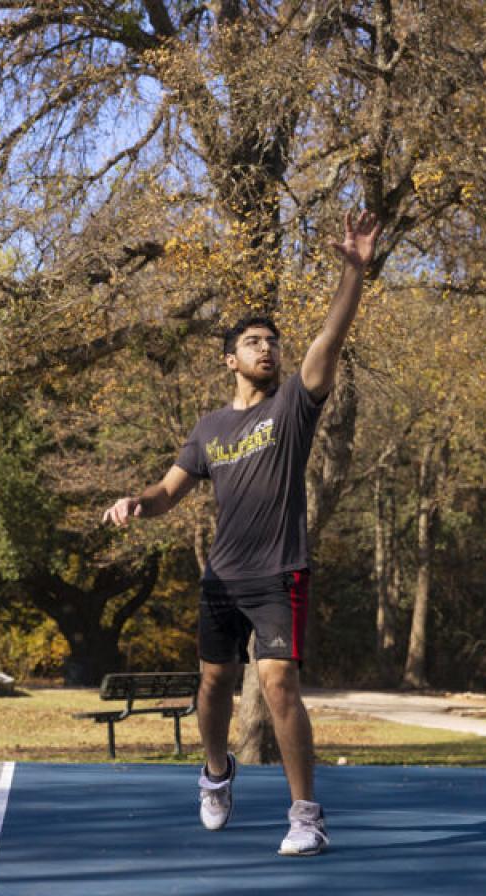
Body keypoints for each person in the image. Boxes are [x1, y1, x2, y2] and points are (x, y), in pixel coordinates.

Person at [103, 210, 380, 856]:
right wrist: (136, 502)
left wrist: (353, 271)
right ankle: (216, 772)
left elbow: (329, 343)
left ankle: (306, 814)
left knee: (280, 682)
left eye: (272, 342)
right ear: (230, 358)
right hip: (222, 579)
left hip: (280, 572)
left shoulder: (293, 407)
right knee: (213, 684)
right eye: (254, 341)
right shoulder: (208, 429)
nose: (267, 349)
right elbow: (168, 492)